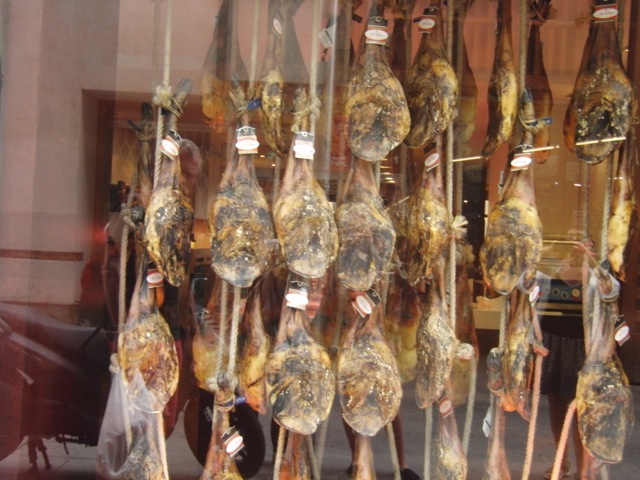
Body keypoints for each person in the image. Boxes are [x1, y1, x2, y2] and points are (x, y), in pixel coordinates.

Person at [539, 242, 587, 479]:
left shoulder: (594, 274)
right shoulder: (552, 269)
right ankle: (562, 461)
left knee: (579, 406)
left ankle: (583, 467)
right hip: (553, 339)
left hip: (580, 343)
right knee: (556, 401)